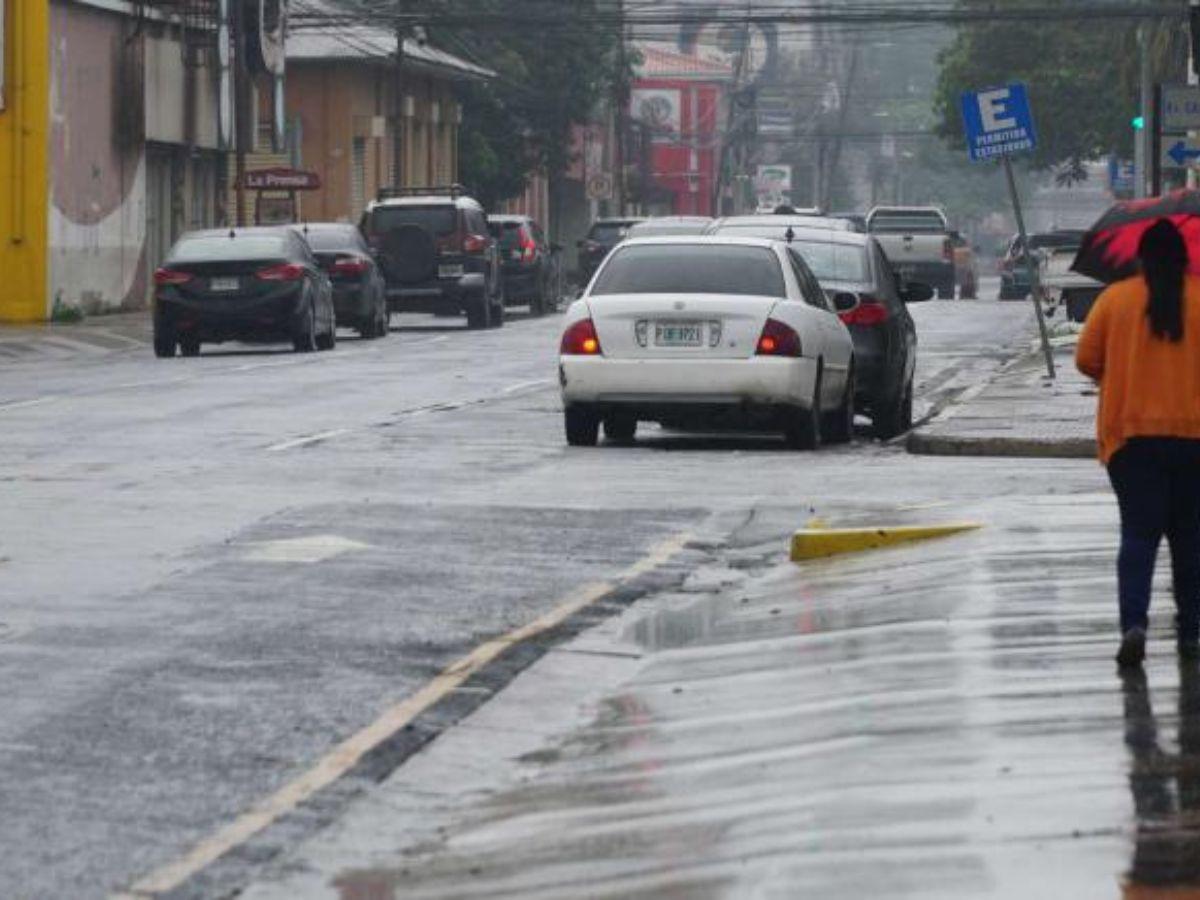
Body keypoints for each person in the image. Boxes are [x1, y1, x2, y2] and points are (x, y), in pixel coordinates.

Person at [1077, 218, 1200, 668]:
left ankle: (1135, 624)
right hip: (1194, 438)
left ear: (1140, 256)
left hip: (1131, 439)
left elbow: (1086, 359)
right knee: (1190, 538)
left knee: (1139, 533)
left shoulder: (1116, 299)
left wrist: (1124, 369)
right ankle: (1192, 633)